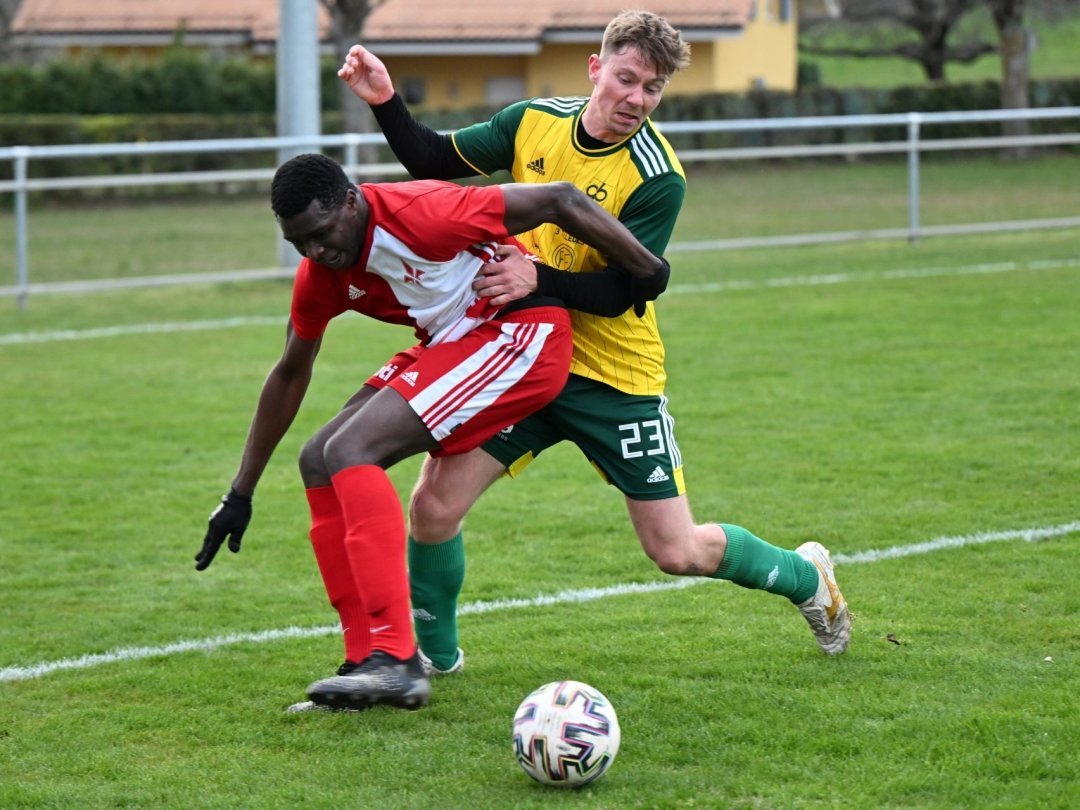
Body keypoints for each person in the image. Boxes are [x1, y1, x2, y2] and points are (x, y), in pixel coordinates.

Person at [339, 10, 853, 677]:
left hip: (614, 376)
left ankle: (804, 575)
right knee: (433, 506)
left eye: (653, 88)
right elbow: (435, 159)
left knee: (676, 550)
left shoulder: (657, 176)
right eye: (627, 78)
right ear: (596, 69)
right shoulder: (533, 121)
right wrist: (385, 98)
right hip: (520, 355)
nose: (637, 99)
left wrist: (536, 278)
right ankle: (434, 663)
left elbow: (626, 290)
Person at [194, 152, 668, 712]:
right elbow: (289, 373)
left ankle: (397, 662)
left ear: (351, 201)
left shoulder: (423, 212)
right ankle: (363, 663)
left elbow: (557, 197)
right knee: (318, 458)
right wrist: (239, 492)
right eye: (300, 244)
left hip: (521, 332)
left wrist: (647, 269)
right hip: (454, 342)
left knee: (353, 450)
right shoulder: (322, 273)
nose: (316, 252)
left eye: (321, 234)